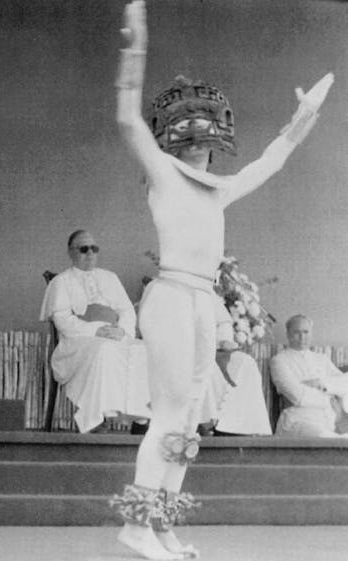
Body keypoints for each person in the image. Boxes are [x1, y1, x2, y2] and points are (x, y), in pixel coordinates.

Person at [110, 2, 333, 559]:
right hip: (170, 296)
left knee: (188, 418)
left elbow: (273, 159)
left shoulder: (221, 188)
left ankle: (160, 526)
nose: (201, 144)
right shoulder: (163, 175)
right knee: (168, 413)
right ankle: (136, 525)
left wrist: (305, 115)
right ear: (181, 141)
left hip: (202, 301)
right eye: (192, 136)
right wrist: (134, 47)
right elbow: (126, 121)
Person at [39, 229, 150, 433]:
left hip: (115, 336)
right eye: (83, 249)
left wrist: (122, 331)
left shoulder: (110, 277)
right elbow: (63, 320)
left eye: (94, 249)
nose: (90, 253)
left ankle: (140, 420)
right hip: (78, 341)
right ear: (71, 252)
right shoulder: (61, 282)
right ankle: (97, 419)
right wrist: (97, 330)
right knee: (104, 350)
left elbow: (126, 310)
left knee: (143, 350)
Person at [270, 315, 348, 437]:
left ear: (311, 333)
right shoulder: (279, 361)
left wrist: (319, 382)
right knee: (324, 437)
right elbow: (297, 396)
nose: (302, 337)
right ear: (288, 334)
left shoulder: (321, 359)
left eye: (306, 332)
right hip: (297, 420)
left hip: (327, 421)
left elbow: (345, 383)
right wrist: (329, 396)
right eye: (297, 332)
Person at [208, 296, 272, 436]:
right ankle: (204, 421)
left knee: (245, 362)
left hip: (213, 350)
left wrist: (222, 341)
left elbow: (223, 324)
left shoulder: (211, 297)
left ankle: (237, 428)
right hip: (185, 351)